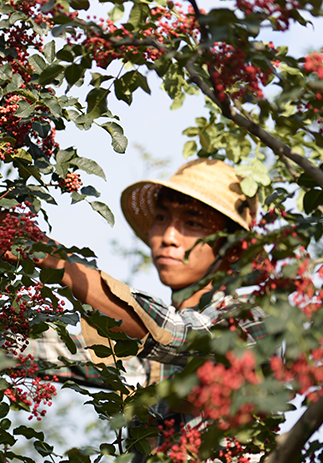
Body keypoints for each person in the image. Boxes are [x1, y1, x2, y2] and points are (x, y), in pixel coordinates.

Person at [24, 158, 266, 426]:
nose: (169, 237)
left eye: (193, 223)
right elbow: (56, 351)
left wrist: (53, 259)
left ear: (233, 249)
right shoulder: (149, 362)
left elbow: (179, 335)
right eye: (161, 218)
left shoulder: (250, 318)